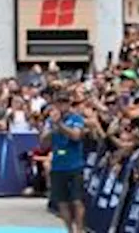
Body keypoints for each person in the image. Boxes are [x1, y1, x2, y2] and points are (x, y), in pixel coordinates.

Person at [42, 93, 86, 233]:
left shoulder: (76, 119)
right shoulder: (50, 121)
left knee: (77, 201)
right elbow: (43, 142)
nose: (62, 106)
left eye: (65, 103)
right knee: (62, 203)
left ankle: (79, 230)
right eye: (59, 103)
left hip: (74, 165)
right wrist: (51, 131)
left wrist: (60, 126)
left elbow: (76, 136)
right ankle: (69, 230)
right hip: (58, 166)